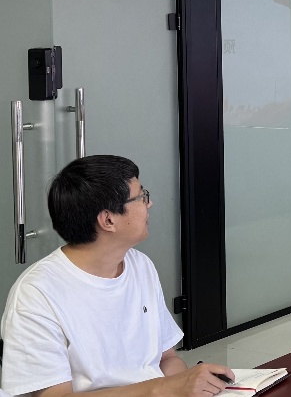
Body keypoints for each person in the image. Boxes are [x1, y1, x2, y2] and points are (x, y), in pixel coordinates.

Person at [1, 155, 234, 397]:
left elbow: (167, 358)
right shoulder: (36, 294)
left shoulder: (140, 265)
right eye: (142, 197)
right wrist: (164, 389)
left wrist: (187, 388)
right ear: (108, 220)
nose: (149, 204)